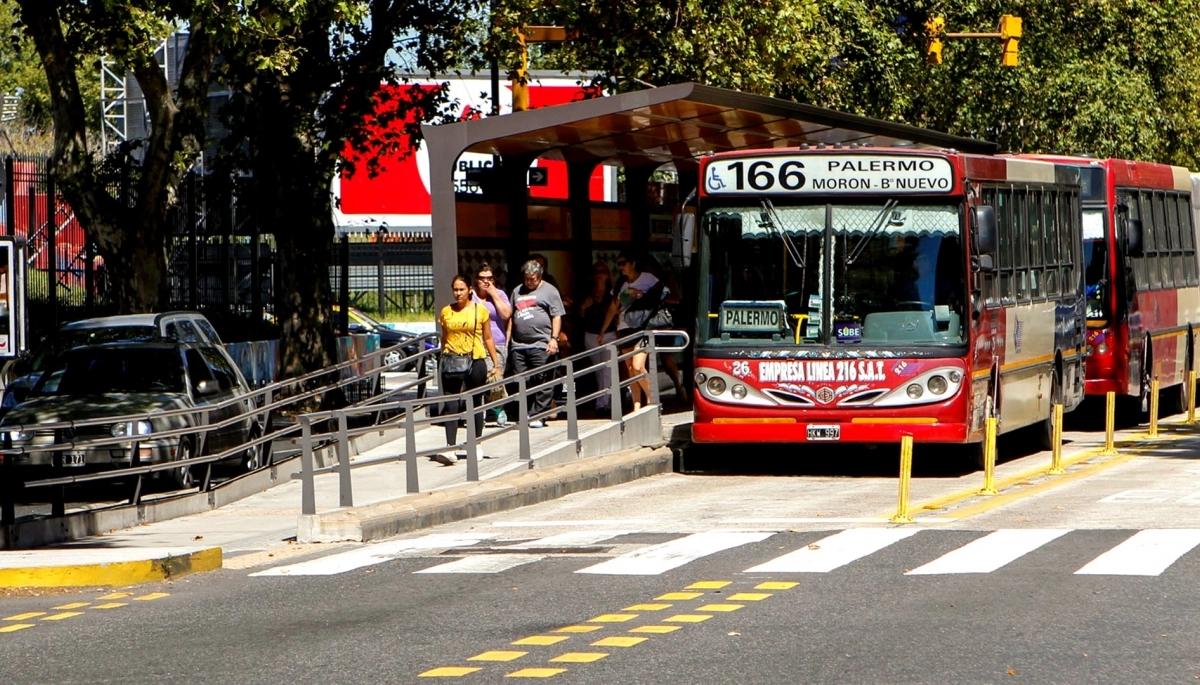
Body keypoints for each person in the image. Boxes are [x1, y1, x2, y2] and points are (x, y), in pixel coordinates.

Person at [435, 274, 501, 466]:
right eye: (455, 289)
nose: (458, 293)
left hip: (475, 359)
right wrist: (443, 357)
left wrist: (495, 363)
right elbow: (444, 338)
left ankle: (476, 443)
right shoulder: (446, 312)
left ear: (470, 289)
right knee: (451, 403)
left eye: (462, 289)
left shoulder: (480, 311)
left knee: (474, 401)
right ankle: (450, 446)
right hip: (452, 360)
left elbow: (488, 337)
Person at [599, 251, 661, 412]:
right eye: (619, 264)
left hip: (642, 327)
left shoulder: (648, 279)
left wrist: (642, 295)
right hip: (623, 327)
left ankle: (651, 399)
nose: (621, 267)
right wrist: (603, 331)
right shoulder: (621, 283)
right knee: (631, 370)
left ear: (633, 263)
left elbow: (660, 296)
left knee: (638, 365)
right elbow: (613, 308)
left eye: (624, 263)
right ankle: (636, 404)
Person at [509, 259, 565, 428]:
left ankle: (539, 415)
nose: (529, 282)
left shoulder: (550, 291)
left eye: (532, 279)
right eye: (526, 278)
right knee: (521, 381)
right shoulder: (517, 291)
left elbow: (557, 316)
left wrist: (554, 339)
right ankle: (526, 412)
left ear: (540, 276)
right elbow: (512, 316)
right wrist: (508, 340)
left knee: (543, 382)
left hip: (541, 344)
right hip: (519, 345)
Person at [471, 264, 512, 426]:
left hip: (497, 343)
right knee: (480, 379)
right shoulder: (471, 296)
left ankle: (497, 409)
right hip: (477, 343)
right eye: (482, 278)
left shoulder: (500, 294)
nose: (486, 281)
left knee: (495, 379)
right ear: (476, 279)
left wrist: (493, 293)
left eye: (489, 278)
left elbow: (506, 314)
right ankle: (479, 413)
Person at [579, 260, 616, 411]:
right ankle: (608, 400)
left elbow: (617, 313)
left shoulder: (613, 293)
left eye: (602, 272)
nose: (599, 275)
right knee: (599, 370)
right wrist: (582, 308)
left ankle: (602, 404)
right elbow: (580, 318)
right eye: (596, 272)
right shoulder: (586, 292)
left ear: (607, 275)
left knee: (607, 368)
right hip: (590, 335)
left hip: (610, 334)